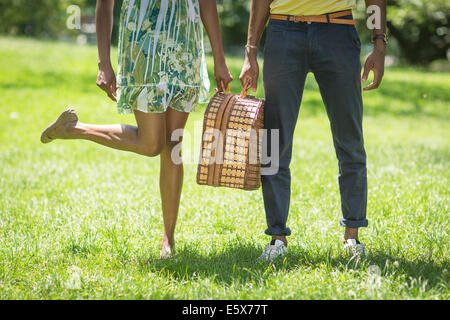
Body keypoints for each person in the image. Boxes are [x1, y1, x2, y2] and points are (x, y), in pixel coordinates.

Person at [40, 0, 232, 259]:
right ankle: (74, 128)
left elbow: (206, 3)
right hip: (143, 48)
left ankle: (168, 239)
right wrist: (103, 62)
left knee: (173, 145)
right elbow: (104, 4)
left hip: (184, 49)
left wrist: (219, 59)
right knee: (152, 144)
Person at [239, 0, 387, 261]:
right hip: (283, 32)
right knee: (275, 142)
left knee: (349, 139)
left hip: (337, 31)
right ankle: (277, 237)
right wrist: (250, 51)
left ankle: (352, 236)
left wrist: (379, 42)